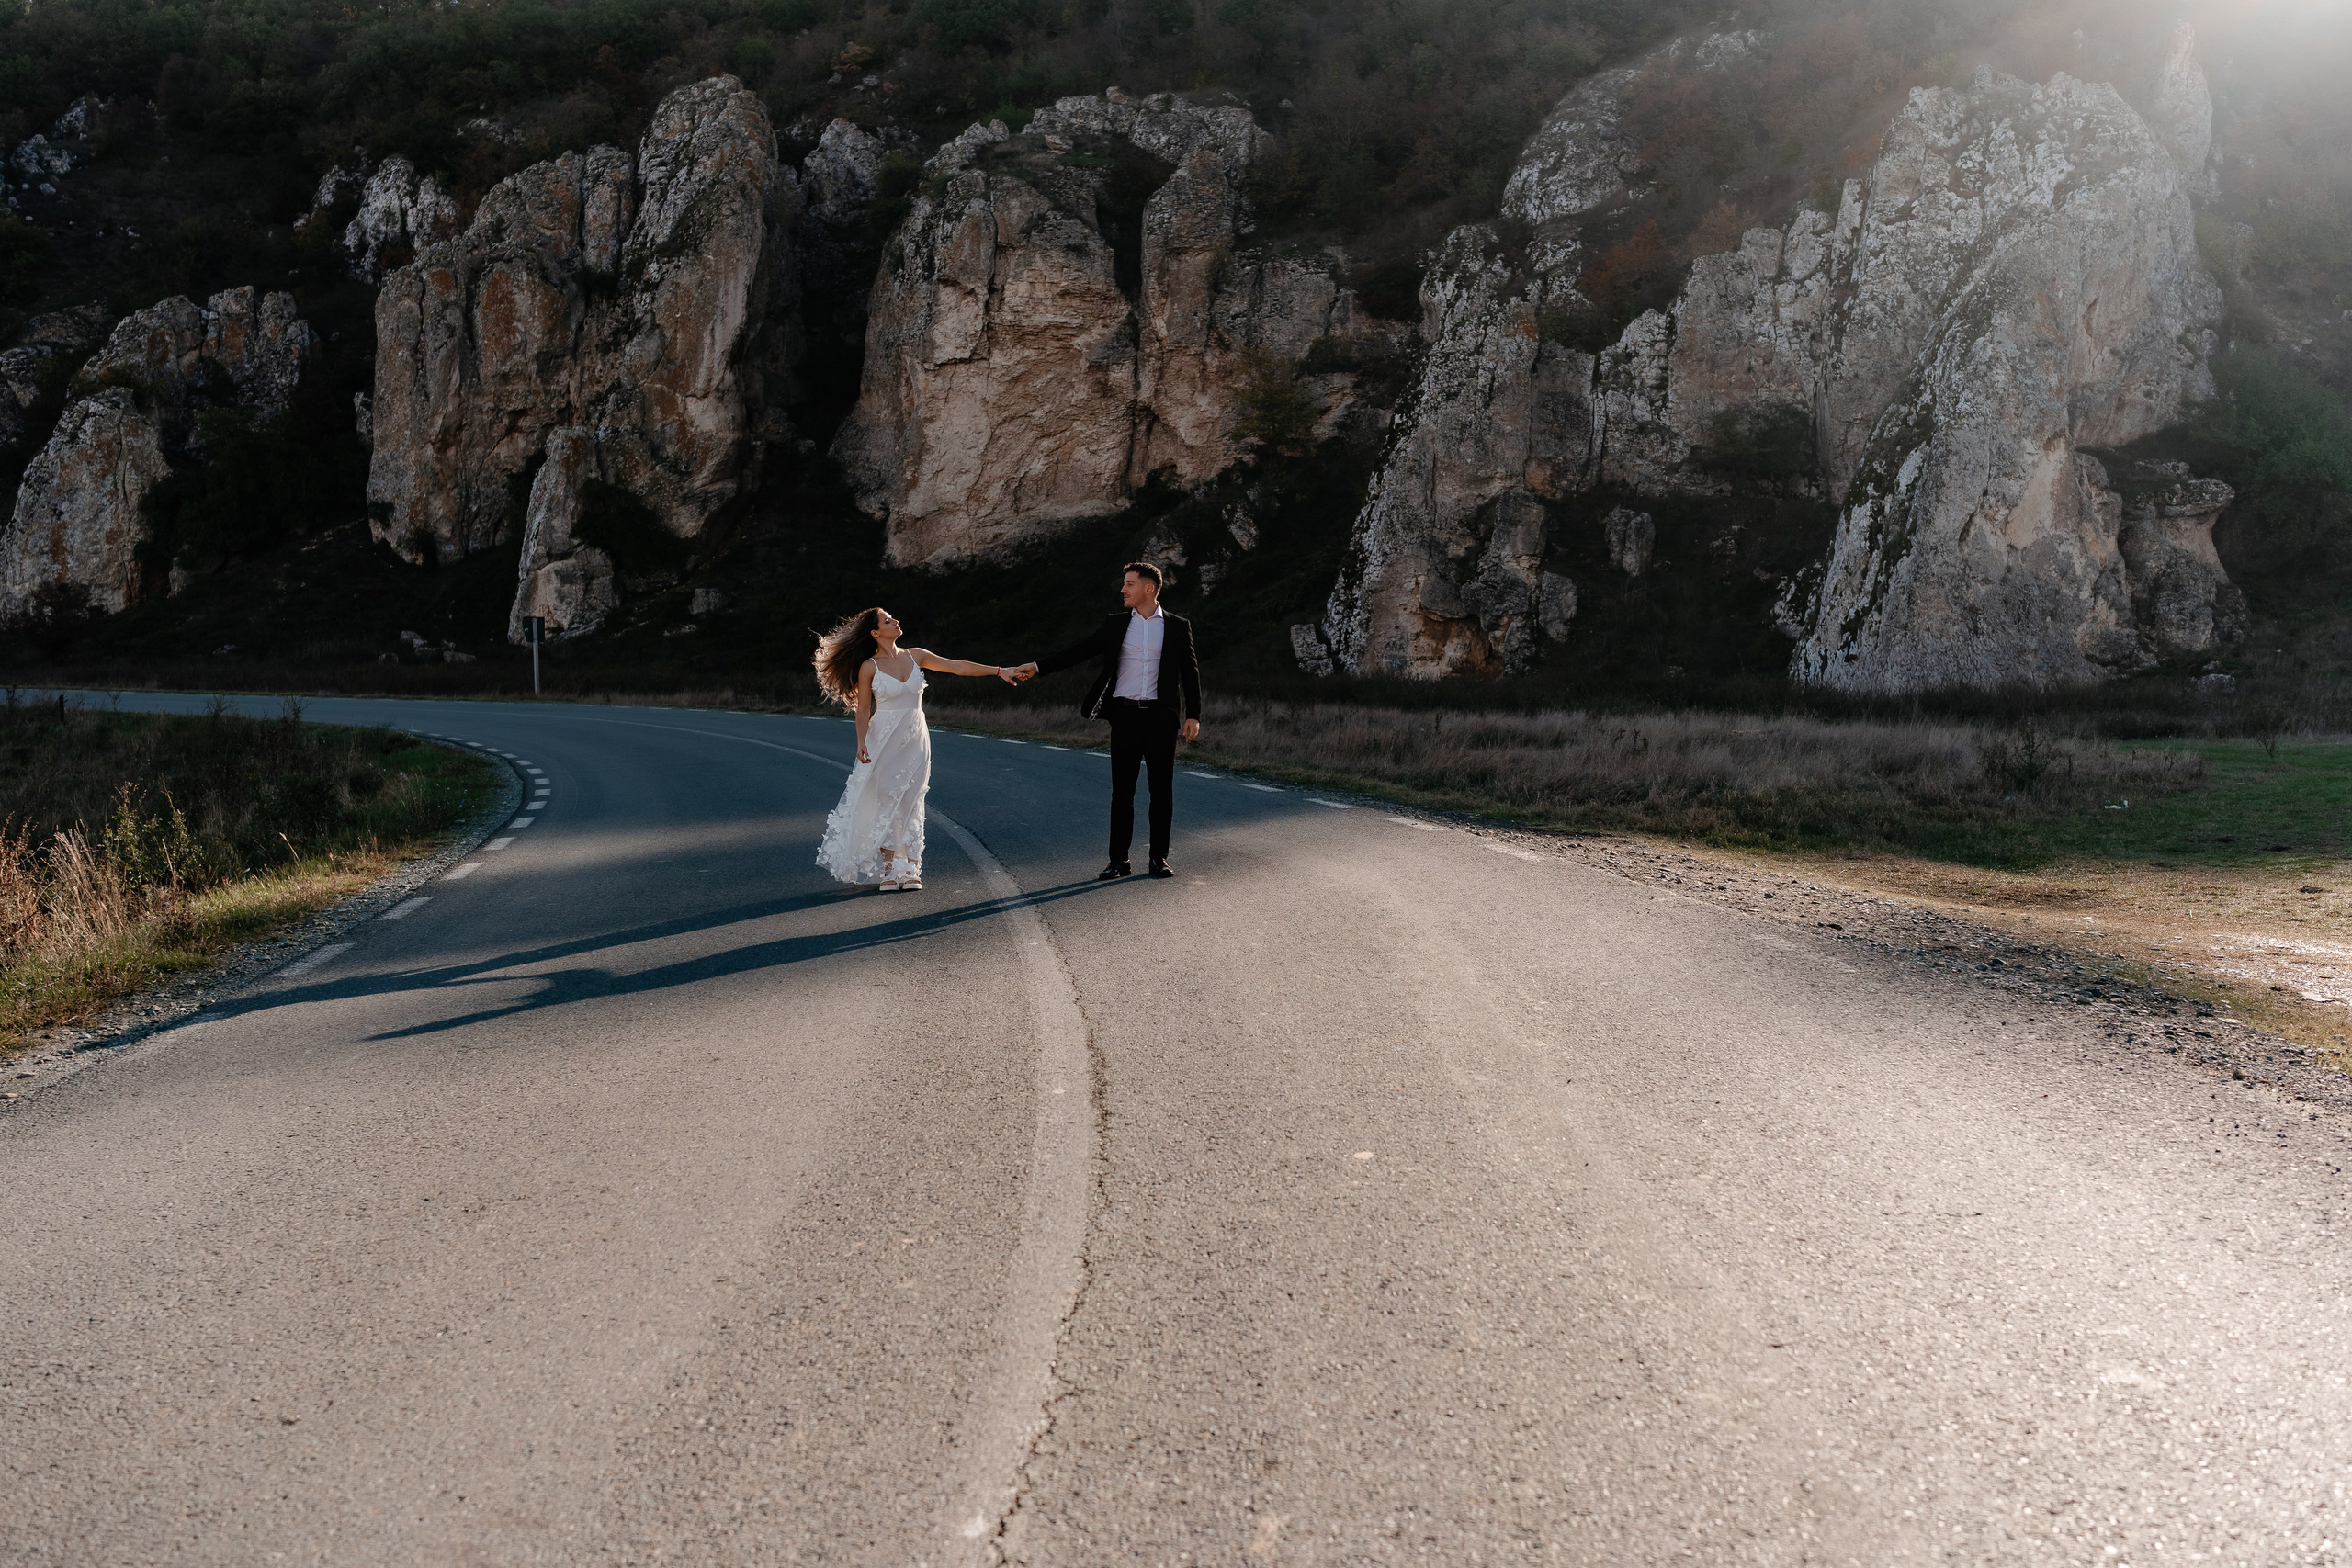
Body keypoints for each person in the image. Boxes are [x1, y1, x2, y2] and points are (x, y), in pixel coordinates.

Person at [1010, 562, 1203, 881]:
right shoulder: (1115, 625)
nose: (1123, 589)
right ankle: (1118, 861)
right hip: (1124, 717)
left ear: (1148, 588)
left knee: (1161, 793)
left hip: (1160, 719)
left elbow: (1190, 672)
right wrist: (1038, 666)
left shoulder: (1178, 626)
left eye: (1129, 584)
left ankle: (1159, 859)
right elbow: (1081, 650)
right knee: (1122, 793)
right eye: (1124, 584)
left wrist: (1194, 714)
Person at [813, 608, 1017, 891]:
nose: (895, 621)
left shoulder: (916, 655)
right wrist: (861, 742)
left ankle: (908, 867)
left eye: (892, 618)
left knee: (911, 798)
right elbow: (862, 710)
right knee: (886, 799)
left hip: (915, 737)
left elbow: (957, 666)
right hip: (882, 740)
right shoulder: (869, 666)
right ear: (875, 633)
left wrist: (998, 671)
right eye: (887, 621)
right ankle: (888, 871)